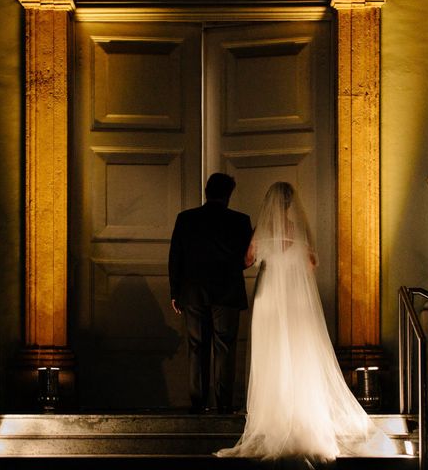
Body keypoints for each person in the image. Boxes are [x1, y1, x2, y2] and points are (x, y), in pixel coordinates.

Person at [216, 182, 395, 463]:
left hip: (270, 296)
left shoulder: (262, 230)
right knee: (300, 352)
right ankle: (301, 409)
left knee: (272, 353)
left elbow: (248, 260)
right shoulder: (297, 228)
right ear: (290, 205)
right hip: (296, 300)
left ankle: (272, 412)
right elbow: (312, 262)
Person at [168, 173, 253, 414]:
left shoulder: (186, 219)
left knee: (197, 347)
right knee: (225, 348)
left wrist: (175, 292)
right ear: (229, 194)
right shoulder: (240, 221)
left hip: (193, 292)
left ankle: (198, 403)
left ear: (206, 191)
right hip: (227, 293)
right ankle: (224, 404)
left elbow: (176, 257)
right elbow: (245, 261)